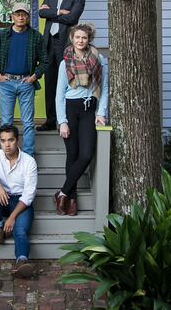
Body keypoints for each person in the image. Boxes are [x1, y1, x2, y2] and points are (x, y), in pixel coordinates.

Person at [54, 23, 108, 217]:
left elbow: (104, 87)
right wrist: (62, 121)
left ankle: (62, 192)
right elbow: (59, 94)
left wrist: (101, 112)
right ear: (72, 38)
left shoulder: (98, 59)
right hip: (70, 109)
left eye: (84, 37)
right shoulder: (65, 62)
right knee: (72, 154)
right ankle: (71, 199)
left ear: (89, 39)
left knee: (86, 154)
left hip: (89, 110)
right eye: (77, 37)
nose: (80, 41)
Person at [0, 3, 47, 157]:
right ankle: (7, 154)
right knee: (6, 122)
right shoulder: (2, 36)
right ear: (12, 16)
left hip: (26, 83)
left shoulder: (35, 37)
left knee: (28, 122)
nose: (21, 17)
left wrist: (34, 76)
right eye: (17, 14)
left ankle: (28, 155)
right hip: (7, 83)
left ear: (28, 17)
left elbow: (45, 61)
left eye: (24, 14)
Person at [0, 124, 38, 279]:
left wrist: (12, 217)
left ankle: (22, 262)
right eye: (3, 141)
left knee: (20, 231)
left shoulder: (29, 162)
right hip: (2, 199)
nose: (7, 145)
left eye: (10, 140)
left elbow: (28, 195)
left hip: (21, 203)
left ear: (17, 140)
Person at [38, 0, 86, 131]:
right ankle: (51, 120)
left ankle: (64, 121)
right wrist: (59, 12)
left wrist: (51, 13)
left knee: (66, 81)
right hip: (49, 43)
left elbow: (72, 18)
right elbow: (41, 12)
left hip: (65, 43)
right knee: (50, 81)